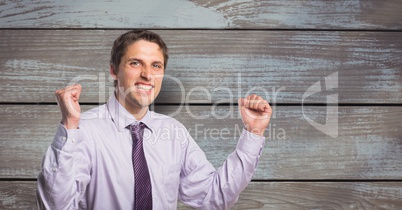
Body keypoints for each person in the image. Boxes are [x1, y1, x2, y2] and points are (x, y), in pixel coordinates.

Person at [36, 30, 272, 210]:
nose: (147, 75)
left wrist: (253, 134)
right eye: (135, 63)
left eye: (156, 65)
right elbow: (56, 205)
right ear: (113, 70)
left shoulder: (173, 132)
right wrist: (69, 126)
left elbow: (214, 196)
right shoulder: (82, 130)